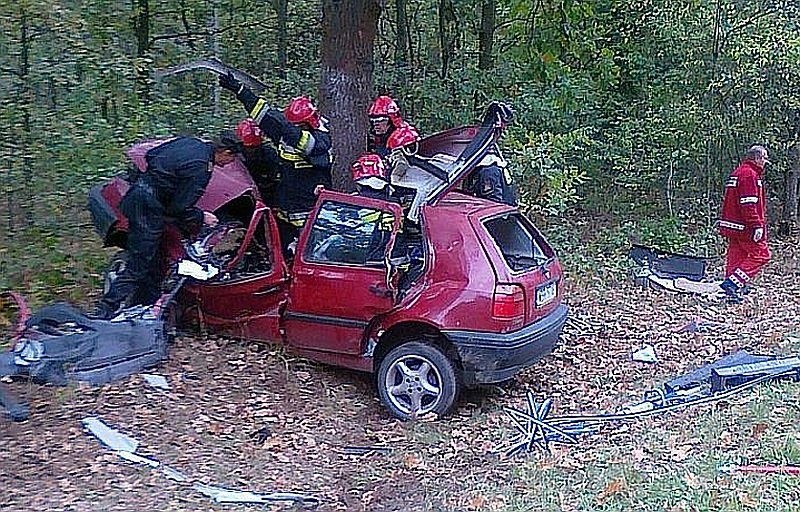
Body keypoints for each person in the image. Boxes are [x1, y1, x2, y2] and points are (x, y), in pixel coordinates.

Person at [95, 133, 241, 319]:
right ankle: (105, 311)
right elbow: (179, 208)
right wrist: (202, 216)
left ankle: (144, 309)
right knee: (139, 264)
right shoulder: (202, 168)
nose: (228, 164)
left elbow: (151, 155)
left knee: (154, 262)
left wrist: (163, 180)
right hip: (148, 210)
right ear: (225, 152)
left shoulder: (191, 142)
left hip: (137, 196)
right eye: (231, 159)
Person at [219, 73, 333, 254]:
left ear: (309, 123)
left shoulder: (320, 141)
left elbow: (300, 141)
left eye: (299, 125)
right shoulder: (287, 133)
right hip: (285, 212)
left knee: (311, 258)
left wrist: (281, 124)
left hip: (311, 218)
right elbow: (263, 115)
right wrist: (240, 90)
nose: (294, 128)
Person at [718, 144, 771, 303]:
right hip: (744, 226)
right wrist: (756, 225)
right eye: (764, 159)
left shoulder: (739, 172)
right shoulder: (749, 175)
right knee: (762, 254)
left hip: (734, 225)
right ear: (757, 158)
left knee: (736, 255)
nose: (765, 163)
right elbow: (748, 204)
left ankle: (733, 287)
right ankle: (732, 284)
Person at [235, 118, 281, 206]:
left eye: (254, 147)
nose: (251, 151)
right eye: (248, 147)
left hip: (268, 192)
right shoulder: (234, 155)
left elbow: (276, 179)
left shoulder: (269, 154)